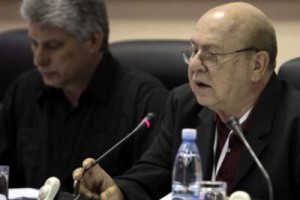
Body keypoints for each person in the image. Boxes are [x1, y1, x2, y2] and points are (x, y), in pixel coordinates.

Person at [73, 2, 300, 200]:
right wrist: (118, 191)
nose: (194, 65)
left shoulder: (294, 122)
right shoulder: (185, 104)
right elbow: (152, 176)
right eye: (193, 51)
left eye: (210, 54)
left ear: (257, 65)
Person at [0, 0, 169, 192]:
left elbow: (153, 187)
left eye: (53, 45)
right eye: (33, 43)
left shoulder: (145, 102)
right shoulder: (24, 90)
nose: (39, 59)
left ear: (93, 40)